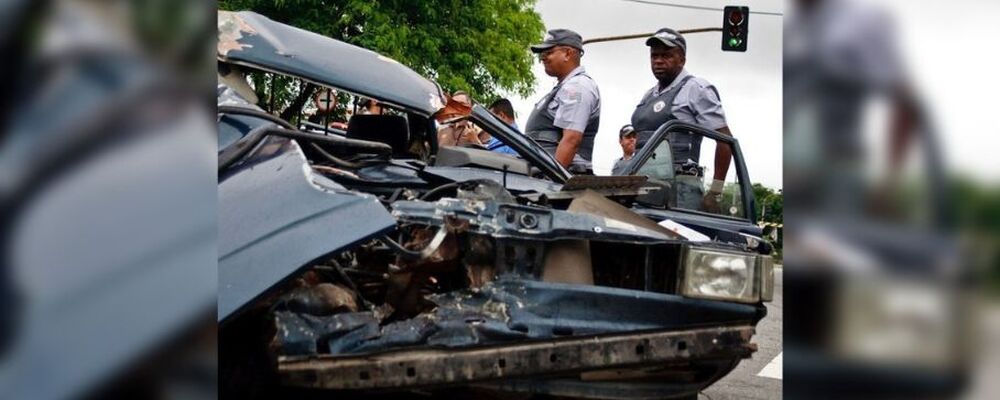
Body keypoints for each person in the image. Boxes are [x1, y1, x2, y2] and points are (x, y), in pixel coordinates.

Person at [630, 28, 733, 211]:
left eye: (666, 55)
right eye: (654, 56)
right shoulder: (649, 95)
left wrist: (715, 193)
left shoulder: (696, 88)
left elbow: (725, 141)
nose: (659, 61)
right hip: (645, 187)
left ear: (682, 60)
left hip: (680, 190)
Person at [525, 29, 601, 172]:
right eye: (542, 54)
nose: (542, 58)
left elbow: (571, 140)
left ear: (567, 53)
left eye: (548, 52)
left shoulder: (577, 87)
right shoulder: (564, 87)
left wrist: (551, 181)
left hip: (561, 181)